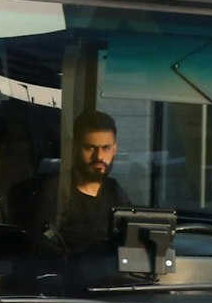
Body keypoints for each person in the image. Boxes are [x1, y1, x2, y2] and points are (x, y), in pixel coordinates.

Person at [12, 109, 130, 260]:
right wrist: (78, 260)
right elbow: (39, 242)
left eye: (106, 148)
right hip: (66, 278)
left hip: (108, 277)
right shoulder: (56, 188)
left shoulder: (113, 190)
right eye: (89, 148)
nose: (99, 156)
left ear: (115, 149)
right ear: (75, 147)